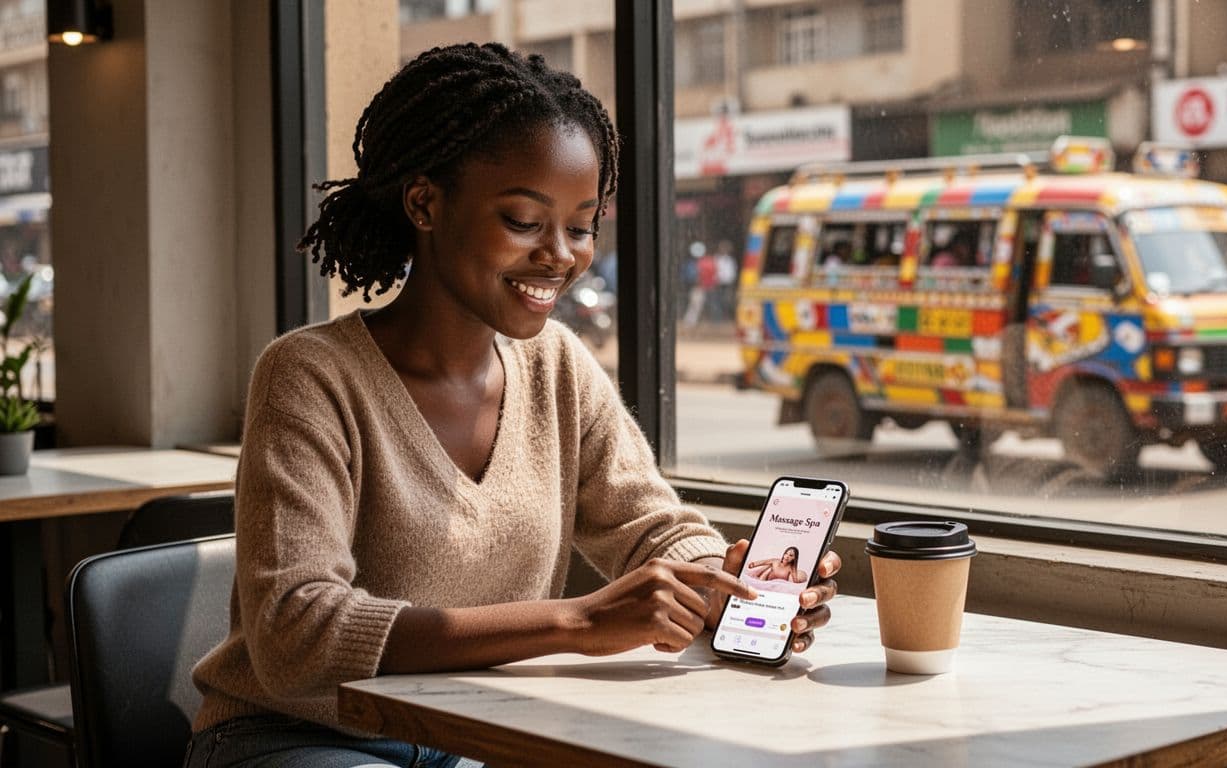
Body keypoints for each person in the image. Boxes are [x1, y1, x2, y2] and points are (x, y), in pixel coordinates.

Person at [184, 43, 841, 767]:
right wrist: (574, 621)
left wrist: (724, 583)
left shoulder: (557, 364)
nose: (561, 254)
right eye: (525, 221)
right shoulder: (309, 376)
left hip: (477, 732)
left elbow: (651, 525)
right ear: (425, 203)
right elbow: (295, 636)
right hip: (296, 737)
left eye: (583, 225)